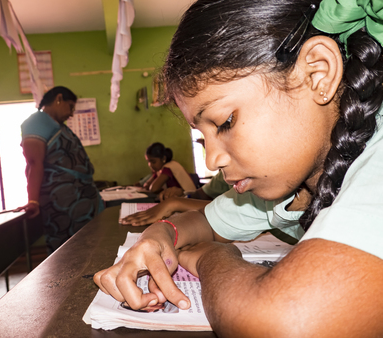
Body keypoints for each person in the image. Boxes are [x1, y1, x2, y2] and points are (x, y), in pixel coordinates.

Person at [94, 0, 383, 336]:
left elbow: (284, 324)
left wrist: (210, 257)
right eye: (203, 139)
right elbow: (204, 221)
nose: (212, 161)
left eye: (225, 122)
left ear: (317, 73)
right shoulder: (285, 188)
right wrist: (160, 235)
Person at [20, 86, 104, 254]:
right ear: (58, 99)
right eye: (70, 106)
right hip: (63, 204)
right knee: (68, 254)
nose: (71, 113)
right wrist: (33, 201)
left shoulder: (57, 126)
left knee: (86, 250)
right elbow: (34, 163)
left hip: (80, 202)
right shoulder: (37, 122)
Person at [121, 171, 232, 226]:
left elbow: (234, 211)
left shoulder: (169, 168)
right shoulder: (223, 174)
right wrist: (182, 195)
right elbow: (198, 195)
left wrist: (175, 203)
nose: (210, 163)